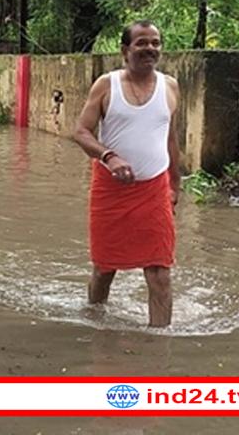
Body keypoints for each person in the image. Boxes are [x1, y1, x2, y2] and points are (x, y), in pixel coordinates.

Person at [72, 20, 181, 327]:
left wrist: (175, 184)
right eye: (142, 43)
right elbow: (81, 132)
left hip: (155, 190)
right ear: (125, 50)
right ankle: (94, 323)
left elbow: (171, 138)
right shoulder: (107, 86)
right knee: (105, 269)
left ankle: (158, 348)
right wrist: (108, 156)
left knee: (160, 272)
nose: (150, 49)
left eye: (156, 43)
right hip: (111, 191)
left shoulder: (170, 86)